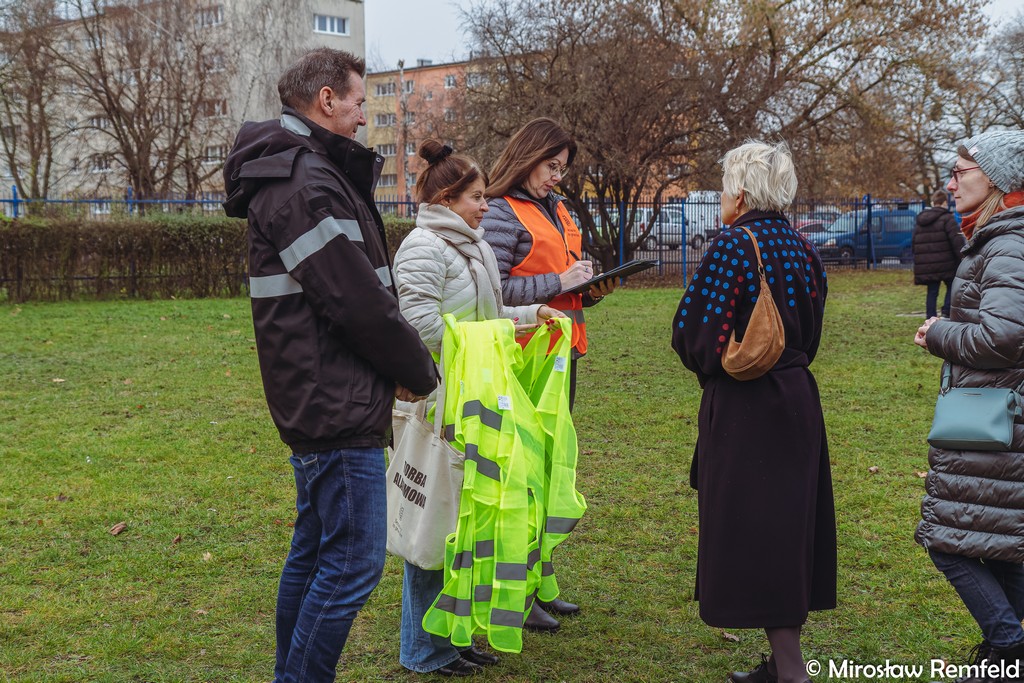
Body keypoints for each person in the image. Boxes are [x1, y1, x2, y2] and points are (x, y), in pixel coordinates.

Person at [222, 48, 438, 683]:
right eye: (360, 102)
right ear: (326, 100)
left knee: (317, 552)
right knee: (352, 565)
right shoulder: (305, 180)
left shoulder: (307, 171)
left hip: (324, 391)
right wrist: (417, 369)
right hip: (334, 399)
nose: (365, 116)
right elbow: (354, 299)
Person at [392, 140, 564, 676]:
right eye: (477, 197)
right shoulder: (423, 247)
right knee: (435, 522)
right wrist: (490, 338)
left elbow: (488, 313)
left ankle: (454, 635)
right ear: (446, 199)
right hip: (438, 401)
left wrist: (532, 314)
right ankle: (423, 648)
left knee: (467, 522)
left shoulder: (474, 246)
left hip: (476, 399)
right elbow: (416, 324)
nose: (486, 206)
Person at [671, 140, 836, 683]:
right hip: (798, 401)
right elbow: (811, 333)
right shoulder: (803, 247)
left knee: (758, 533)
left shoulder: (732, 246)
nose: (722, 197)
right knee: (785, 530)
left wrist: (715, 363)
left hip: (748, 410)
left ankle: (791, 671)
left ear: (740, 193)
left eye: (724, 187)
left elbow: (692, 334)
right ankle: (780, 663)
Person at [480, 116, 614, 632]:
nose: (557, 177)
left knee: (550, 474)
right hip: (524, 360)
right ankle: (516, 594)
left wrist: (589, 289)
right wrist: (560, 280)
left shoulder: (556, 209)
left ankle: (536, 582)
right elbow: (491, 292)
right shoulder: (498, 210)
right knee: (524, 479)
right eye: (551, 166)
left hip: (561, 357)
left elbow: (562, 288)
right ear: (527, 157)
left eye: (562, 169)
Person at [914, 129, 1024, 682]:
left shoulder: (1008, 243)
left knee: (947, 541)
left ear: (998, 180)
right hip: (997, 419)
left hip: (996, 421)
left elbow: (1004, 336)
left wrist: (938, 332)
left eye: (960, 172)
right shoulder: (998, 236)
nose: (951, 183)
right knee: (1003, 546)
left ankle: (1007, 648)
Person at [912, 189, 965, 319]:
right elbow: (956, 241)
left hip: (928, 264)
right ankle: (946, 311)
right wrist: (963, 257)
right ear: (945, 202)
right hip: (947, 263)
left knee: (932, 291)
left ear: (933, 202)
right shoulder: (948, 218)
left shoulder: (921, 220)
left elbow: (914, 242)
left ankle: (930, 317)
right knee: (952, 285)